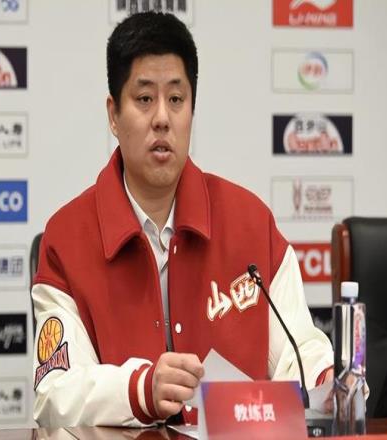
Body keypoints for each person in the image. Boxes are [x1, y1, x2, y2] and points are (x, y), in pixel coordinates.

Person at [32, 11, 333, 428]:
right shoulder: (67, 239)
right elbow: (55, 391)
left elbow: (300, 349)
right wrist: (140, 389)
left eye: (176, 99)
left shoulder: (250, 223)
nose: (162, 118)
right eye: (144, 99)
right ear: (113, 115)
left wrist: (325, 382)